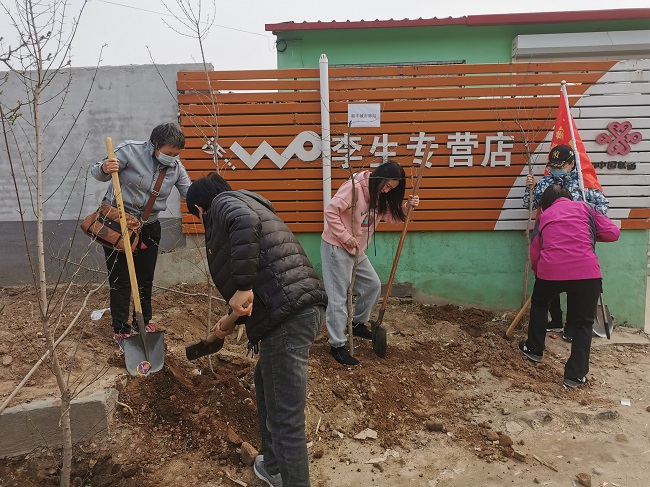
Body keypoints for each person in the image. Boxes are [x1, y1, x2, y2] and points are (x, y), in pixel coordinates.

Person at [185, 173, 327, 487]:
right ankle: (273, 465)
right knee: (263, 380)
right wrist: (227, 322)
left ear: (198, 208)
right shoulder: (251, 203)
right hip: (296, 309)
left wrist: (243, 287)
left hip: (287, 318)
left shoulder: (225, 204)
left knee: (285, 417)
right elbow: (252, 292)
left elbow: (245, 226)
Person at [90, 123, 191, 350]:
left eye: (176, 154)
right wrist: (106, 168)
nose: (172, 158)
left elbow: (189, 192)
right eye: (168, 153)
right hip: (119, 224)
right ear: (154, 145)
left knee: (145, 278)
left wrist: (206, 204)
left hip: (148, 227)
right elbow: (97, 172)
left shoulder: (175, 167)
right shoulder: (129, 151)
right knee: (121, 278)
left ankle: (142, 322)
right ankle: (120, 328)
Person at [518, 184, 619, 388]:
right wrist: (587, 235)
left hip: (551, 270)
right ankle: (575, 376)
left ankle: (534, 350)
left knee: (539, 304)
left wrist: (540, 272)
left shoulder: (545, 217)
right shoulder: (585, 209)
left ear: (546, 204)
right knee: (582, 324)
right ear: (570, 197)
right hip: (587, 273)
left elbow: (535, 251)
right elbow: (612, 233)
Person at [321, 161, 419, 366]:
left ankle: (356, 324)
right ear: (379, 176)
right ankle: (337, 345)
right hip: (337, 247)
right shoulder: (355, 187)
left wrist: (406, 207)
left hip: (357, 249)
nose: (386, 190)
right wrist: (346, 237)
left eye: (391, 189)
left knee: (372, 285)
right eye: (386, 185)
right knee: (339, 297)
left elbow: (391, 218)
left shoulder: (380, 196)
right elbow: (331, 210)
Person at [523, 144, 609, 341]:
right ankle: (555, 319)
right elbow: (530, 204)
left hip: (577, 239)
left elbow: (602, 207)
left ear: (571, 164)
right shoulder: (546, 182)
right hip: (550, 236)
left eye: (560, 165)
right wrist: (530, 189)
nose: (555, 170)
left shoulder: (583, 183)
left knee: (575, 282)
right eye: (552, 166)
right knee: (549, 277)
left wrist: (583, 212)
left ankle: (571, 327)